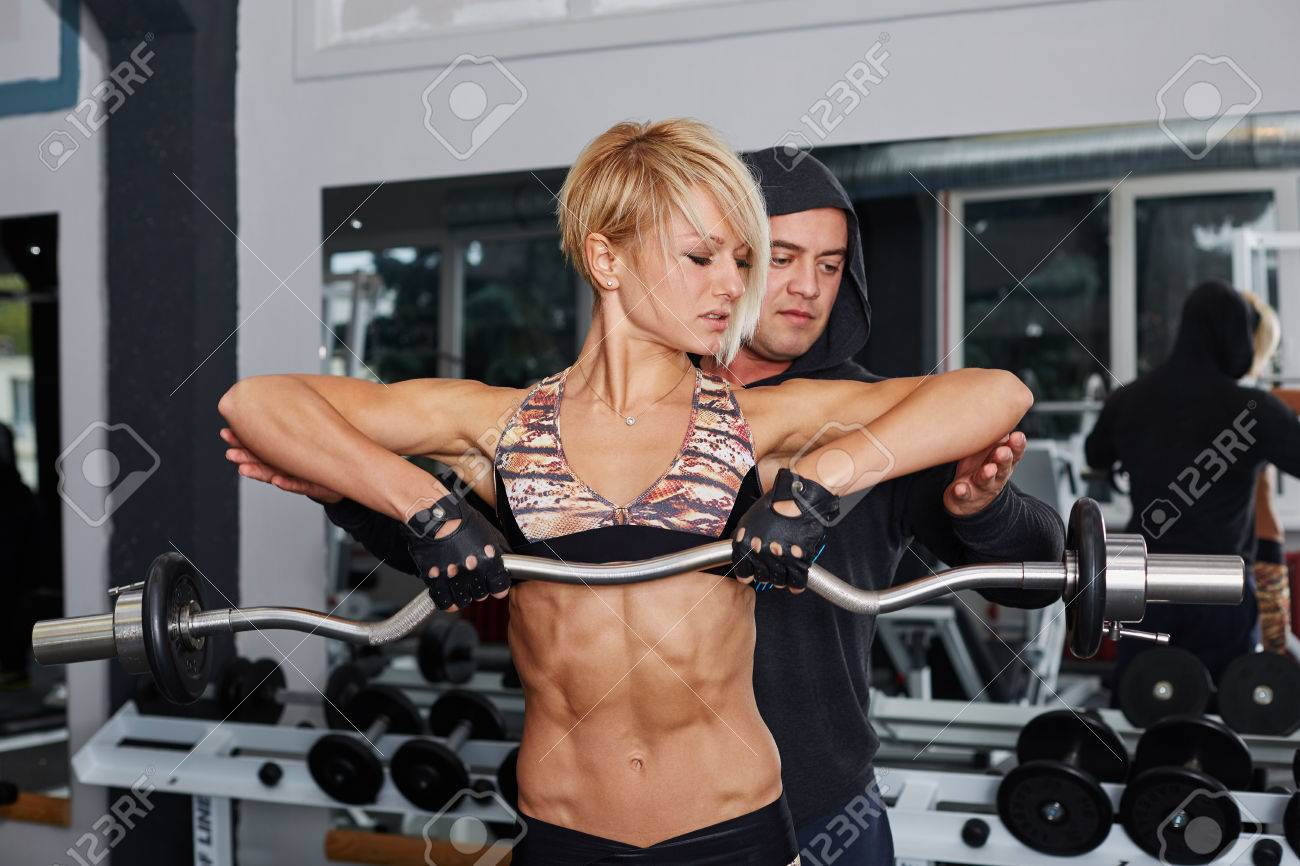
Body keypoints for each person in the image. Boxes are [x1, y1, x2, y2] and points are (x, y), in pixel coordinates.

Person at [219, 118, 1033, 864]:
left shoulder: (753, 423)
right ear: (607, 259)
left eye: (741, 261)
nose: (731, 287)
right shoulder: (501, 426)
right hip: (565, 831)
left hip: (735, 828)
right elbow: (256, 403)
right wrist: (422, 507)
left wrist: (819, 485)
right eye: (700, 256)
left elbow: (994, 392)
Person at [1086, 279, 1300, 686]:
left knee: (1143, 701)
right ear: (1236, 335)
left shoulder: (1127, 399)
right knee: (1223, 715)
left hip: (1144, 586)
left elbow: (1095, 456)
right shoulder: (1253, 410)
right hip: (1219, 591)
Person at [1242, 290, 1292, 653]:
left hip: (1252, 547)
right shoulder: (1261, 403)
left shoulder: (1263, 402)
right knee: (1268, 667)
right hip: (1256, 548)